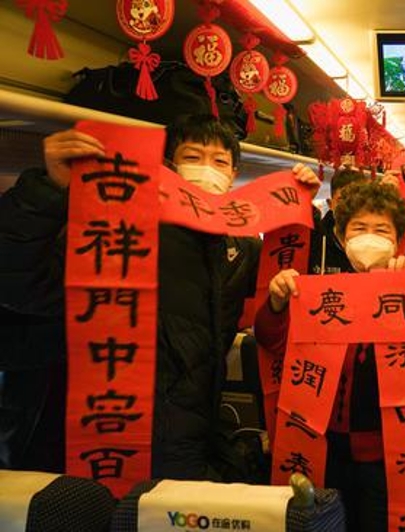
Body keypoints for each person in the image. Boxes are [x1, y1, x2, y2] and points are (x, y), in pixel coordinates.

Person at [0, 114, 320, 481]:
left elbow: (289, 291)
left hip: (190, 439)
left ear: (233, 175)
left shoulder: (240, 250)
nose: (207, 170)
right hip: (109, 434)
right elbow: (19, 280)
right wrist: (48, 189)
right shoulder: (122, 234)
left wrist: (300, 206)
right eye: (193, 157)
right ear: (169, 166)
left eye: (219, 162)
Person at [255, 180, 405, 531]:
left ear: (398, 240)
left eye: (381, 230)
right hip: (323, 450)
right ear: (341, 236)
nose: (369, 238)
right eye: (359, 228)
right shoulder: (324, 295)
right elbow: (272, 341)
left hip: (387, 457)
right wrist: (276, 303)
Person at [309, 167, 368, 274]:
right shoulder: (315, 237)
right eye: (342, 200)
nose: (350, 207)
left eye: (358, 200)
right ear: (330, 204)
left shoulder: (375, 241)